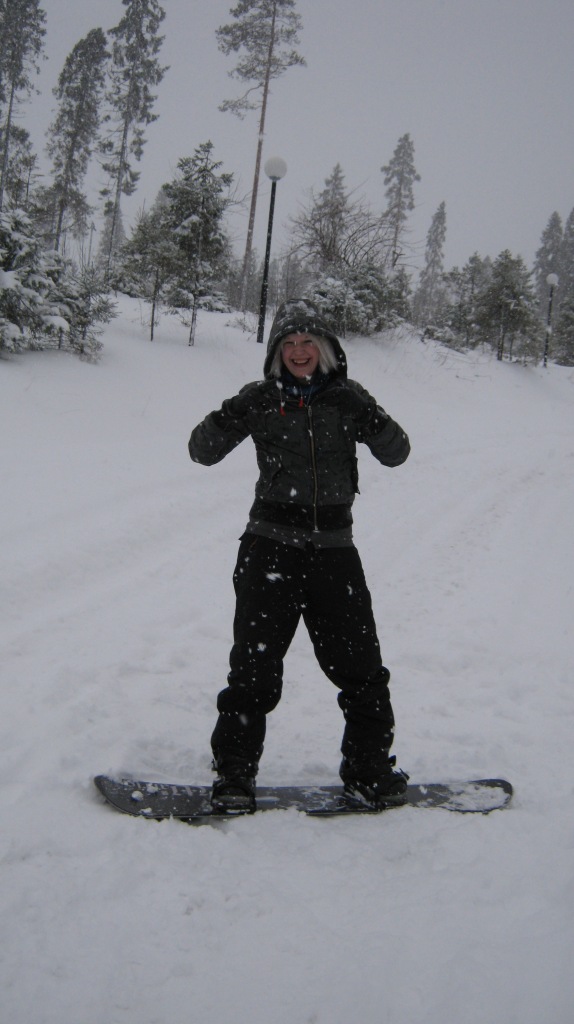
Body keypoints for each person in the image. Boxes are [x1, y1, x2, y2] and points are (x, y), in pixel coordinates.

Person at [188, 299, 411, 812]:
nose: (299, 351)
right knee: (253, 672)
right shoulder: (262, 399)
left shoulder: (348, 398)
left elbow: (397, 452)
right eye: (288, 343)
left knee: (362, 668)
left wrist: (368, 413)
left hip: (334, 552)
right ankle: (235, 775)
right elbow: (201, 451)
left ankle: (369, 771)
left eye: (309, 341)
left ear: (326, 348)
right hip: (269, 549)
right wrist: (232, 411)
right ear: (276, 353)